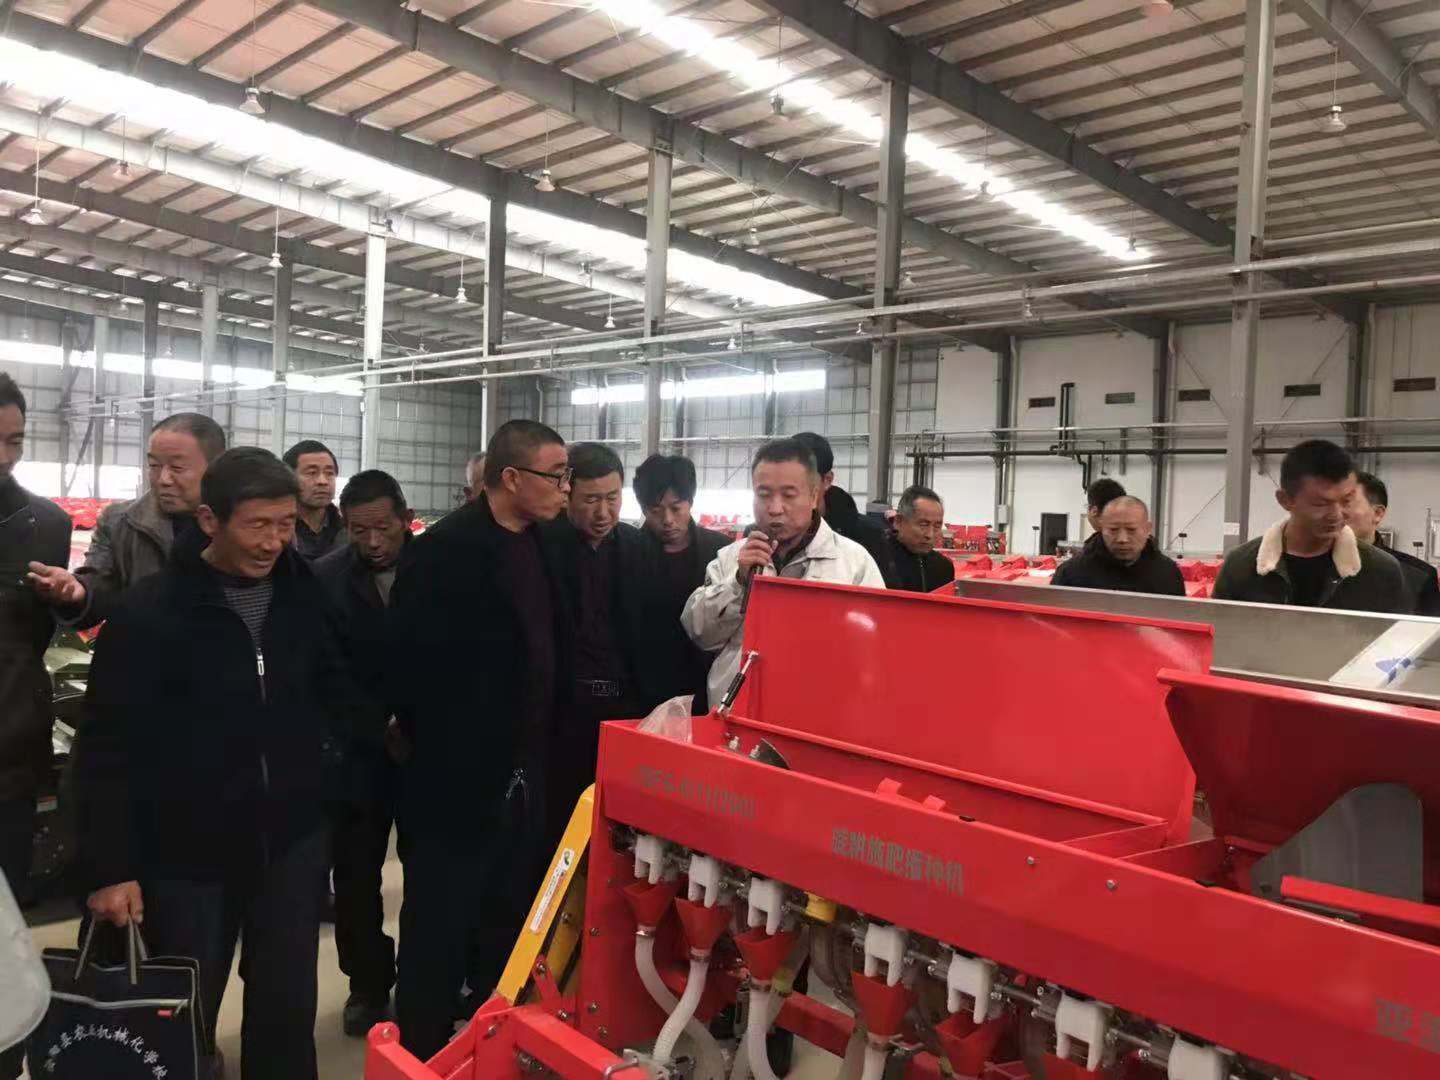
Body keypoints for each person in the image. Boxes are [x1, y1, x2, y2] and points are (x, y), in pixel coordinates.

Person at [74, 447, 356, 1080]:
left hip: (289, 843)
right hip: (186, 855)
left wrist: (326, 785)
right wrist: (110, 868)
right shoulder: (149, 613)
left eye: (285, 525)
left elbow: (336, 692)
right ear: (210, 521)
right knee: (180, 1013)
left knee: (287, 1007)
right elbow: (106, 747)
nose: (274, 542)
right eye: (258, 525)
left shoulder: (304, 596)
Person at [387, 420, 572, 1060]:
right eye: (556, 476)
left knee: (509, 914)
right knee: (439, 919)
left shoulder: (546, 543)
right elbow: (409, 665)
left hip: (528, 767)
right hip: (455, 776)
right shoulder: (444, 552)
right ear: (511, 478)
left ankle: (487, 1045)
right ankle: (420, 1049)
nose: (566, 488)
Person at [314, 471, 414, 1037]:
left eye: (383, 529)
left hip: (427, 749)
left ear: (405, 519)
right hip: (357, 752)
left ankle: (427, 976)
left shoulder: (438, 569)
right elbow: (325, 670)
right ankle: (367, 984)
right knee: (355, 876)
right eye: (359, 531)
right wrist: (377, 726)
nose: (373, 542)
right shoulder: (325, 579)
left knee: (429, 870)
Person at [683, 438, 886, 707]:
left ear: (814, 496)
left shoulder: (853, 563)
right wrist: (738, 583)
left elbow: (875, 649)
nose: (775, 508)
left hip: (818, 713)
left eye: (789, 495)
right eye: (764, 494)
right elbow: (700, 633)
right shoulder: (732, 558)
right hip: (737, 709)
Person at [0, 372, 70, 1080]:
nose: (3, 456)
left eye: (15, 441)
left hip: (9, 758)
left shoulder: (45, 524)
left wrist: (75, 598)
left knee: (6, 939)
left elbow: (40, 636)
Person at [27, 412, 225, 627]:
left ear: (215, 467)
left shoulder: (238, 523)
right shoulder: (120, 522)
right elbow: (99, 583)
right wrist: (79, 592)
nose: (163, 479)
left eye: (177, 468)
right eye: (154, 465)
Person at [1213, 440, 1408, 613]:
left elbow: (1392, 641)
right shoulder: (1241, 566)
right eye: (1321, 504)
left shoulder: (1380, 571)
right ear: (1285, 500)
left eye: (1346, 500)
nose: (1337, 514)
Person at [633, 454, 731, 710]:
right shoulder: (628, 551)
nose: (667, 520)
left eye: (676, 508)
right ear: (643, 509)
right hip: (643, 689)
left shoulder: (720, 551)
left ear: (691, 502)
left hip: (705, 685)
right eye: (655, 511)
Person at [792, 431, 896, 586]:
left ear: (827, 480)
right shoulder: (764, 538)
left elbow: (883, 597)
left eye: (804, 480)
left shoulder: (868, 538)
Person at [1346, 471, 1440, 617]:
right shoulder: (1311, 567)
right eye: (1328, 503)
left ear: (1378, 513)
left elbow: (1430, 630)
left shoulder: (1419, 576)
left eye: (1346, 503)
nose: (1335, 512)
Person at [1052, 495, 1185, 596]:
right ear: (1102, 529)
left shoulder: (1167, 574)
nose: (1122, 539)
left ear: (1147, 529)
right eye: (1113, 529)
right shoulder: (1070, 574)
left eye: (1131, 529)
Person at [284, 439, 346, 561]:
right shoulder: (278, 531)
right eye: (312, 473)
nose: (322, 481)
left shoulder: (348, 531)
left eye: (329, 473)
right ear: (289, 478)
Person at [886, 485, 955, 593]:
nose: (930, 535)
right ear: (899, 521)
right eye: (923, 524)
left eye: (937, 526)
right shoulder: (879, 562)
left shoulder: (944, 568)